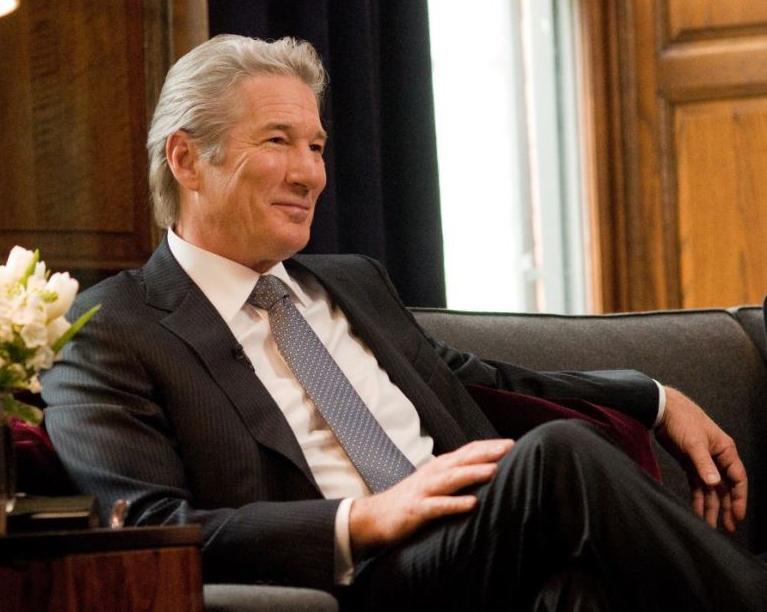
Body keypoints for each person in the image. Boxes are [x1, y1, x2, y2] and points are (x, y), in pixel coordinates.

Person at [41, 34, 767, 610]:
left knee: (579, 580)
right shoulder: (108, 327)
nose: (310, 174)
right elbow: (147, 526)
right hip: (362, 575)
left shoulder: (353, 283)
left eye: (316, 146)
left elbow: (489, 380)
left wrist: (657, 399)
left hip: (471, 539)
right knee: (557, 455)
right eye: (278, 141)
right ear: (187, 160)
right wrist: (364, 519)